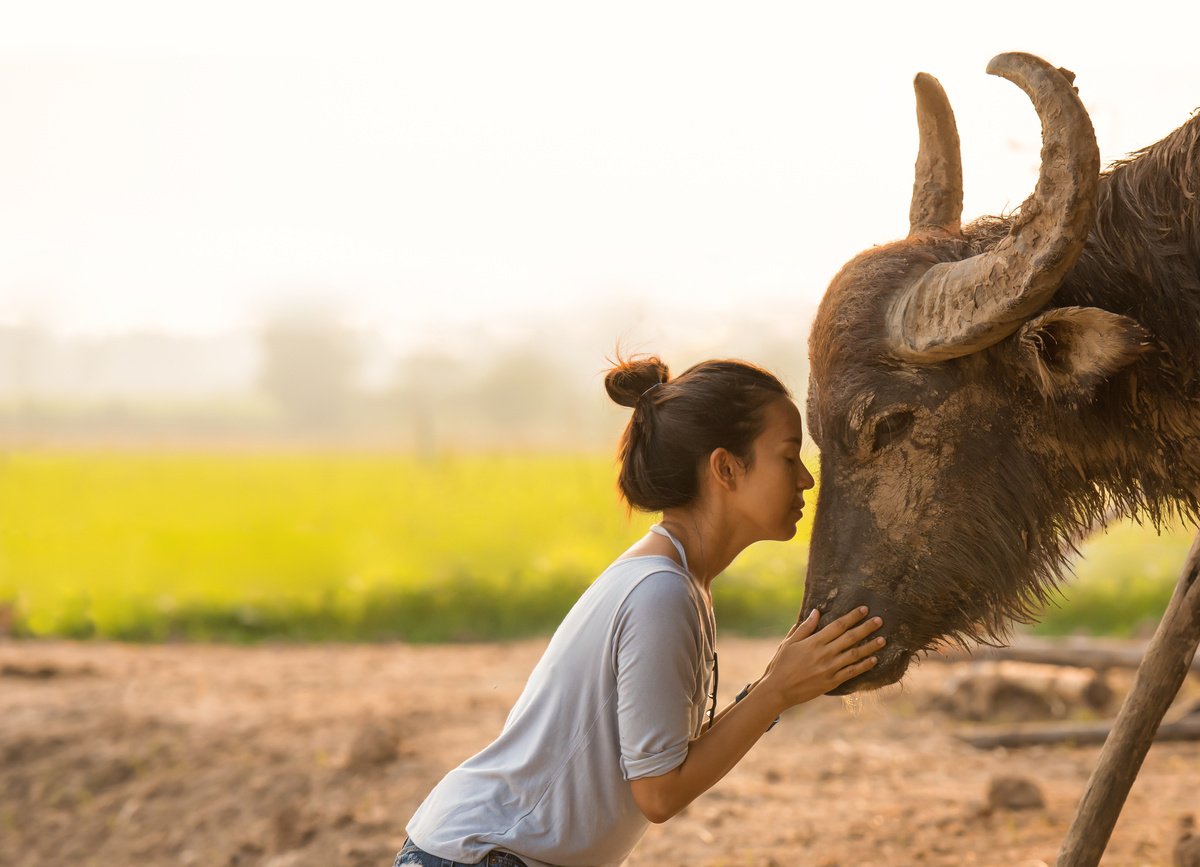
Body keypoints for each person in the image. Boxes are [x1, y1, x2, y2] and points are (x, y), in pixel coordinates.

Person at [395, 355, 884, 867]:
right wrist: (776, 691)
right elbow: (658, 795)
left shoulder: (677, 580)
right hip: (481, 856)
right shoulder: (660, 593)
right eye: (789, 457)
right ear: (725, 468)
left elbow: (667, 768)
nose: (807, 480)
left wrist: (775, 686)